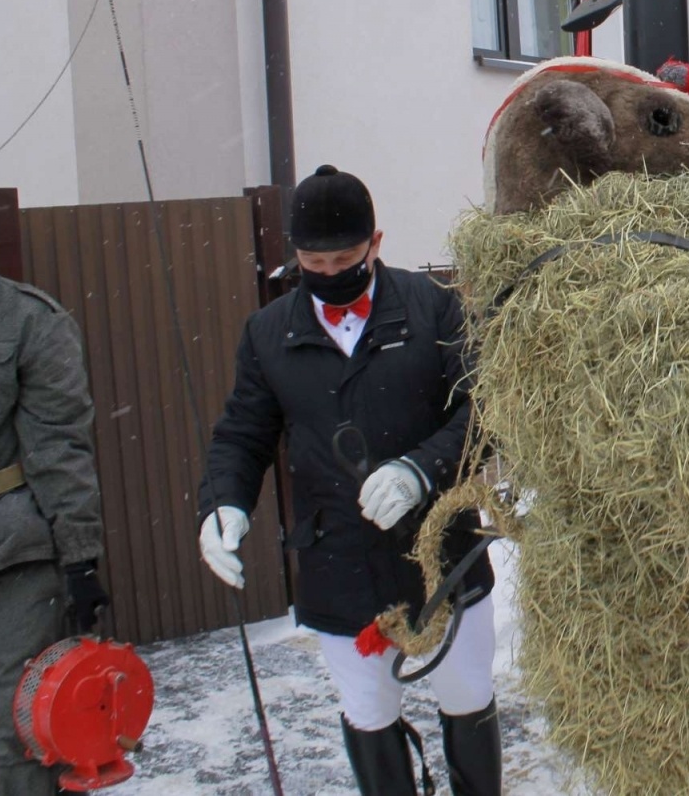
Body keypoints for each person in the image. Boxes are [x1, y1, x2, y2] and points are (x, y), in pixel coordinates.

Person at [196, 165, 499, 796]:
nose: (330, 274)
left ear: (376, 243)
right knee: (367, 710)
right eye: (313, 260)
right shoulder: (268, 333)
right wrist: (223, 504)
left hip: (442, 551)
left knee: (467, 696)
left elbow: (487, 407)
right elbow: (243, 434)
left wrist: (422, 468)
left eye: (345, 259)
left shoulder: (432, 307)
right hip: (338, 558)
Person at [0, 180, 107, 796]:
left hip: (15, 546)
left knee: (20, 728)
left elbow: (62, 448)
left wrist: (81, 558)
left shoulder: (27, 320)